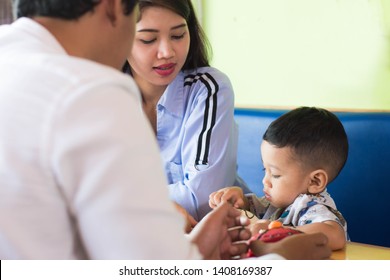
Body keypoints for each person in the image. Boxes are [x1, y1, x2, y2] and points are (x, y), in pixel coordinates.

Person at [0, 0, 331, 260]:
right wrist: (273, 264)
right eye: (143, 35)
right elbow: (155, 267)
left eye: (177, 34)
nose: (166, 51)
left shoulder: (12, 63)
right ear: (114, 6)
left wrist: (188, 248)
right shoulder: (91, 91)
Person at [123, 0, 249, 221]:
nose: (167, 52)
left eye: (178, 35)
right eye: (148, 39)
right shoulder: (101, 97)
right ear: (118, 39)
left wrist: (120, 204)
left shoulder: (208, 88)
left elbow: (202, 200)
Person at [209, 107, 349, 251]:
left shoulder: (310, 206)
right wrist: (241, 202)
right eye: (265, 170)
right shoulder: (277, 203)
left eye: (275, 174)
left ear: (315, 181)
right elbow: (256, 215)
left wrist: (276, 231)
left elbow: (335, 235)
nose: (265, 181)